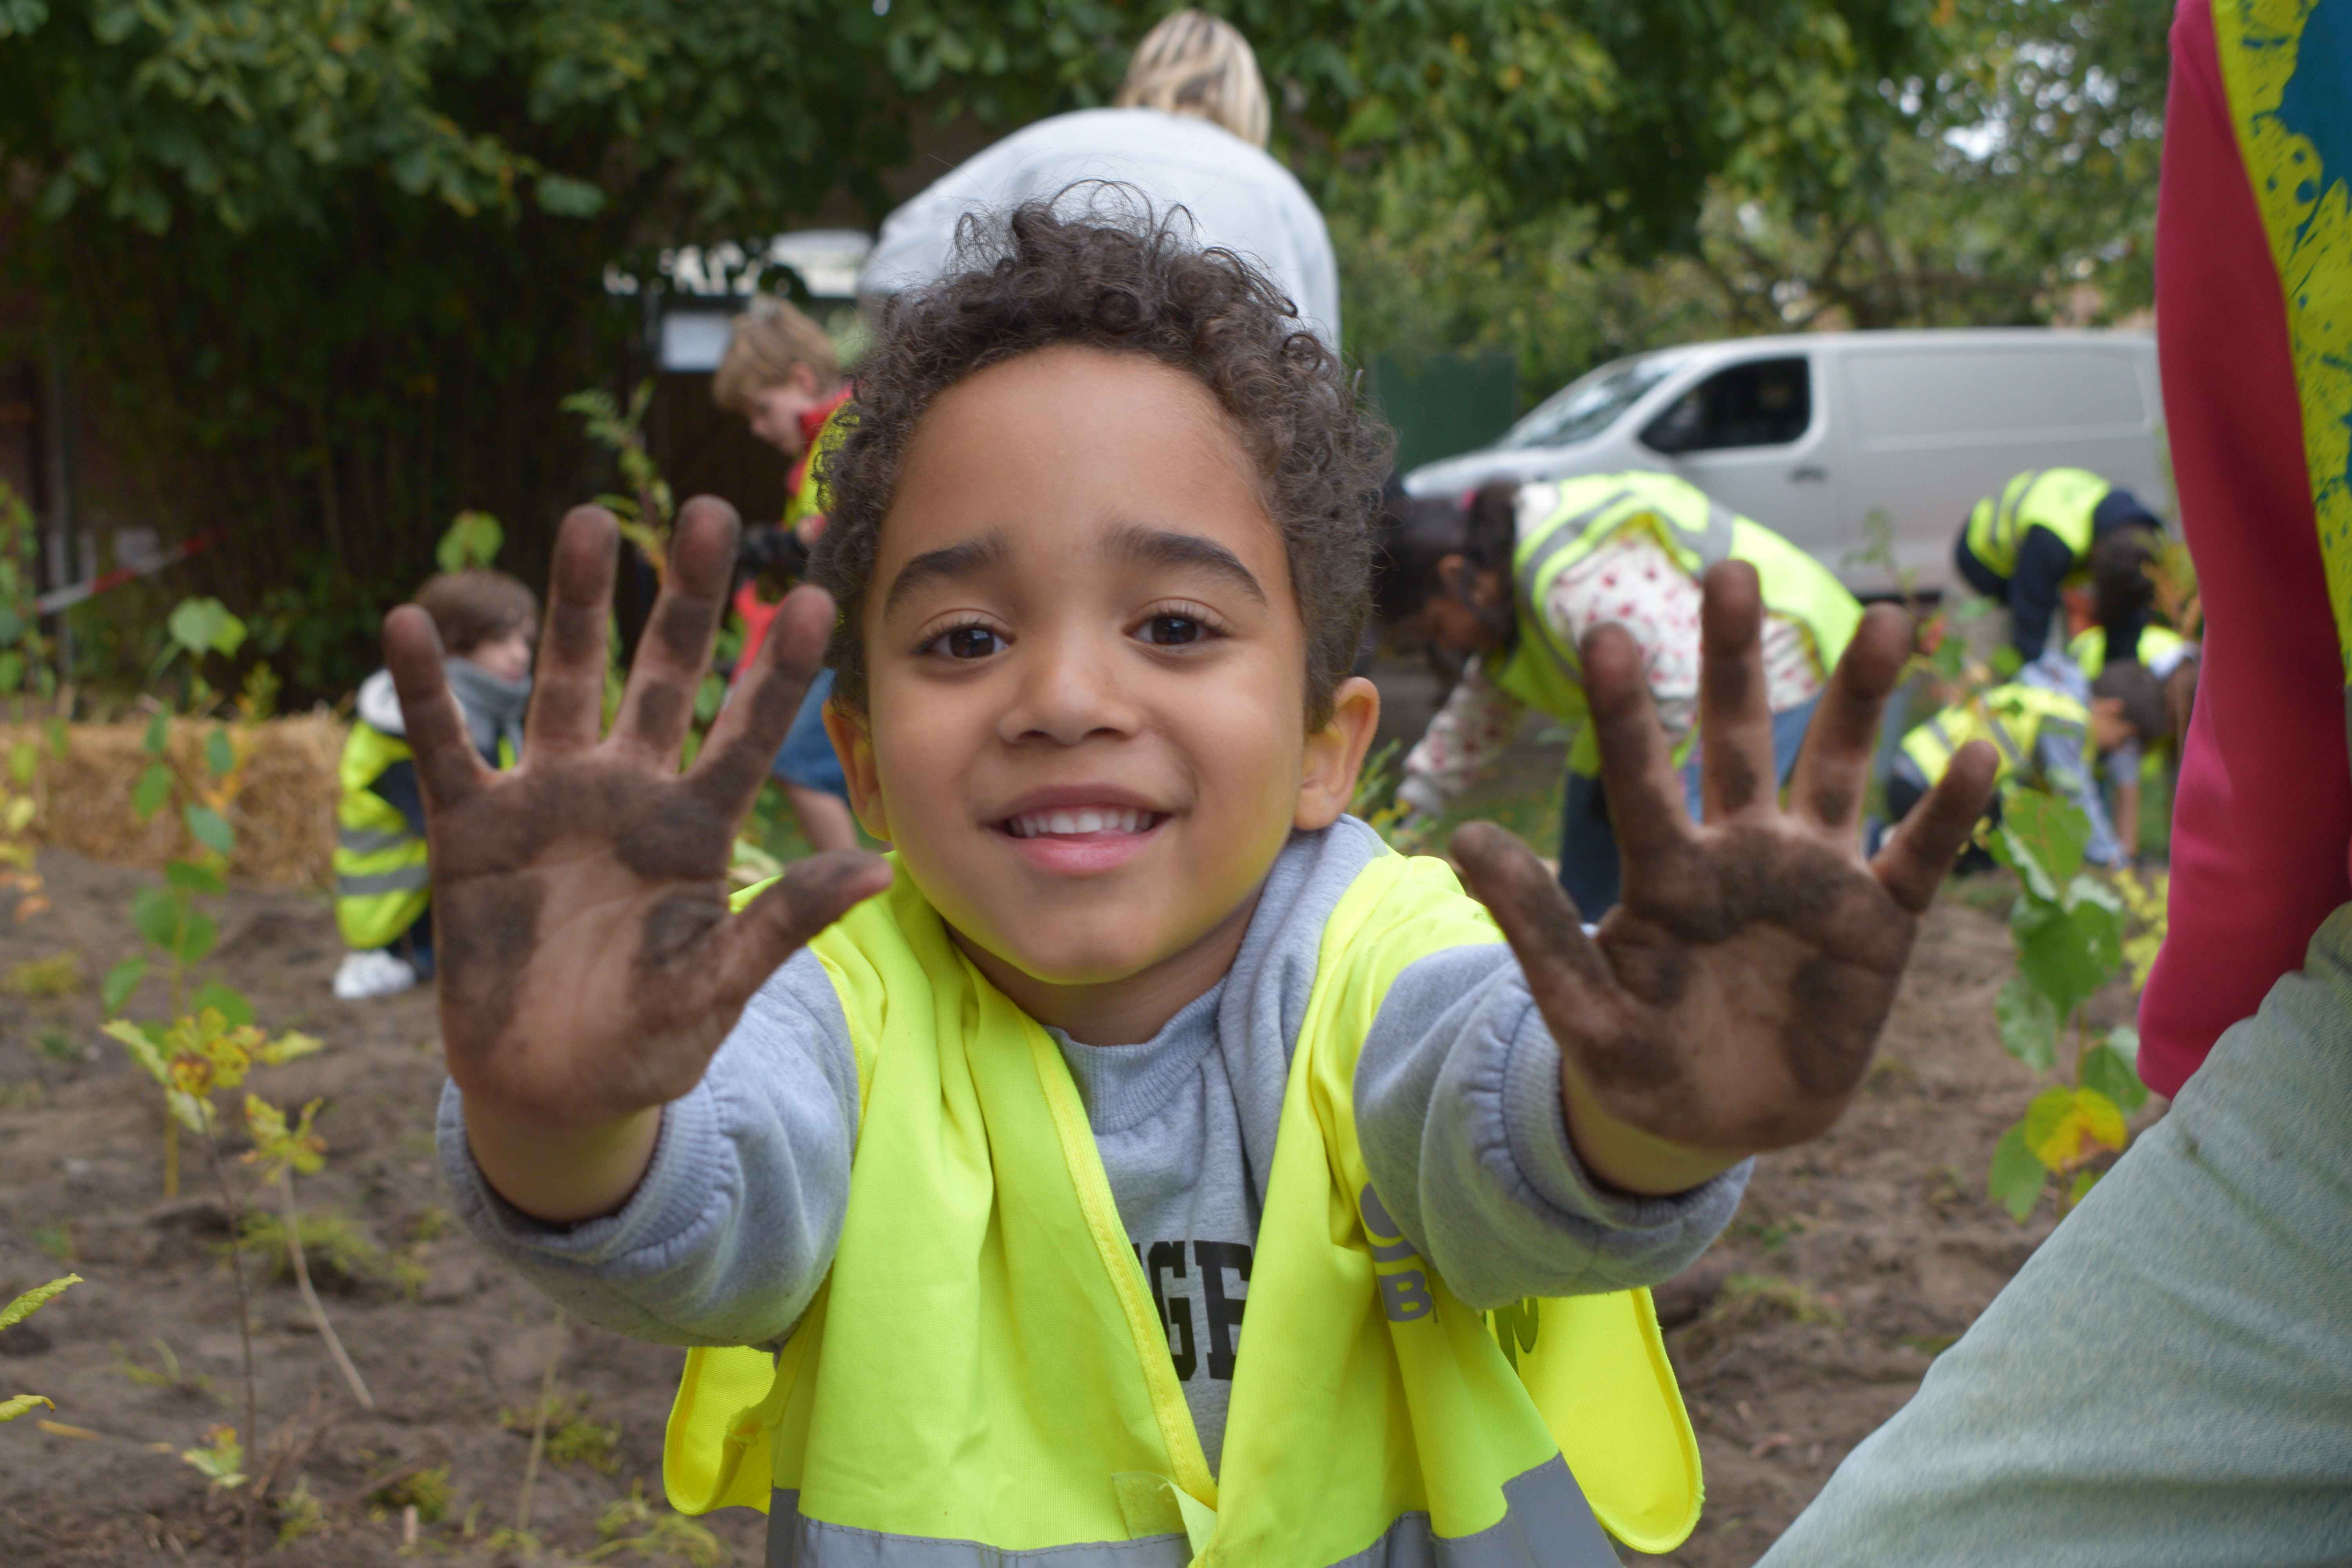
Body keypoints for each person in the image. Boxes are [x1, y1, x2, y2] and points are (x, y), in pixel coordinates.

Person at [395, 205, 1989, 1563]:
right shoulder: (840, 1005)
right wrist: (560, 1112)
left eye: (1173, 625)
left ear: (1325, 746)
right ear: (865, 768)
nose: (1066, 695)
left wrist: (1654, 1111)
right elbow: (708, 1206)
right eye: (965, 637)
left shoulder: (1386, 957)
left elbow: (1497, 1131)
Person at [1755, 0, 2352, 1560]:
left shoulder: (2030, 544)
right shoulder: (2257, 36)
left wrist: (2186, 1041)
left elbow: (2228, 631)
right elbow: (2265, 627)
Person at [1377, 473, 1863, 918]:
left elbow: (1680, 685)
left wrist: (1656, 804)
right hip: (1671, 696)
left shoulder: (1575, 585)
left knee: (1682, 870)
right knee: (1592, 864)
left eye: (1436, 627)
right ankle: (1597, 950)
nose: (1445, 645)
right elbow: (1478, 714)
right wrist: (1402, 821)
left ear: (1455, 574)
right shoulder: (1506, 597)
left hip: (1769, 656)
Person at [858, 10, 1339, 348]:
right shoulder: (1280, 193)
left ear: (1141, 72)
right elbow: (1316, 377)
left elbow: (892, 270)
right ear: (1249, 99)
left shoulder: (1049, 144)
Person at [331, 569, 534, 1000]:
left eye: (524, 641)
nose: (521, 656)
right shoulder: (401, 731)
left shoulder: (491, 719)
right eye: (502, 641)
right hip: (395, 925)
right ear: (453, 644)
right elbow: (466, 840)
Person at [711, 295, 860, 853]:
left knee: (798, 761)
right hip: (838, 631)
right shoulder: (819, 442)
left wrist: (784, 547)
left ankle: (850, 896)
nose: (755, 429)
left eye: (762, 409)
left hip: (853, 633)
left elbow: (836, 529)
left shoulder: (848, 427)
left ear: (801, 379)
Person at [1886, 662, 2167, 873]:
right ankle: (1883, 840)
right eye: (2124, 739)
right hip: (1926, 786)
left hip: (1913, 767)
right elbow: (2075, 797)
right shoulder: (2066, 722)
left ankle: (1894, 839)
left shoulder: (2053, 689)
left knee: (1990, 850)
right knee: (1971, 861)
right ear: (2111, 710)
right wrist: (2113, 859)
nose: (2117, 750)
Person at [1951, 466, 2165, 673]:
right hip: (1982, 559)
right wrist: (2031, 674)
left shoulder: (2125, 531)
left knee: (2051, 645)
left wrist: (2118, 678)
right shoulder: (2054, 539)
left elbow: (2126, 612)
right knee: (1998, 660)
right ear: (2096, 555)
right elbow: (2030, 610)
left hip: (2036, 561)